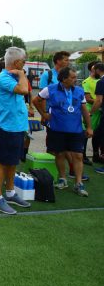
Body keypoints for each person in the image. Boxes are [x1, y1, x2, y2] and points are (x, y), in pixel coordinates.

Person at [33, 67, 92, 195]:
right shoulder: (50, 89)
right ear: (64, 78)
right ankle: (62, 179)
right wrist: (43, 114)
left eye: (75, 77)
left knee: (78, 156)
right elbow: (35, 100)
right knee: (59, 154)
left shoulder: (79, 91)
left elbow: (84, 110)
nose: (75, 80)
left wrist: (89, 127)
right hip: (57, 129)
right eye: (72, 77)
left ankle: (78, 183)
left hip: (76, 129)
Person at [0, 47, 31, 214]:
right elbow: (23, 90)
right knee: (2, 162)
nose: (25, 64)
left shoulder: (13, 76)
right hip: (7, 128)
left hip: (17, 127)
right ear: (16, 63)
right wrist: (21, 75)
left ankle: (11, 192)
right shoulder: (4, 78)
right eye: (24, 61)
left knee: (13, 162)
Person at [82, 61, 101, 163]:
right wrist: (99, 102)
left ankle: (96, 154)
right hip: (91, 111)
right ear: (91, 70)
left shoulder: (101, 80)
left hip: (100, 111)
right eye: (95, 68)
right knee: (87, 133)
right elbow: (88, 98)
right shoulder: (86, 82)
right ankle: (83, 155)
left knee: (98, 134)